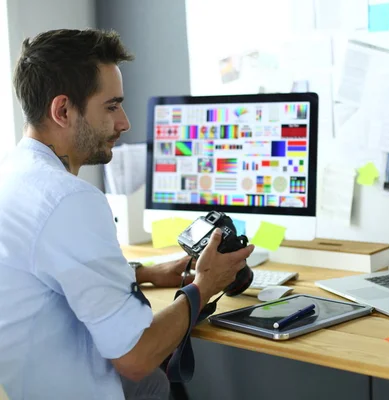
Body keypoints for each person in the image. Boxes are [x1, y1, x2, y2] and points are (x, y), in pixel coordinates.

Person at [0, 28, 254, 400]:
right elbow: (135, 355)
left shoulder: (15, 177)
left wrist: (146, 273)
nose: (124, 123)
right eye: (111, 106)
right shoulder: (69, 200)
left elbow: (53, 273)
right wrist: (204, 286)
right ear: (63, 110)